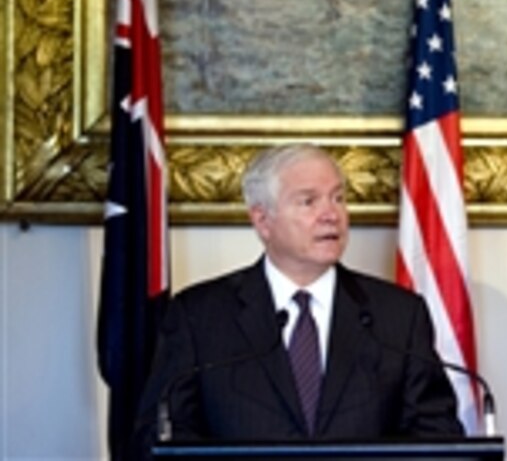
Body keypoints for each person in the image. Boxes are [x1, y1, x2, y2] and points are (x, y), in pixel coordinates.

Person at [132, 143, 462, 454]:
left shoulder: (399, 315)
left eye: (338, 198)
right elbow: (160, 436)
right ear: (262, 220)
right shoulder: (200, 316)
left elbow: (437, 437)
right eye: (309, 201)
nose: (331, 214)